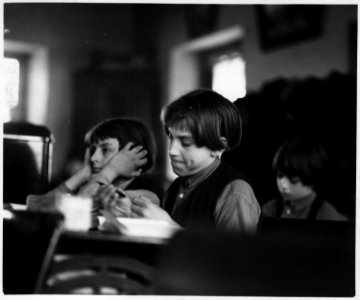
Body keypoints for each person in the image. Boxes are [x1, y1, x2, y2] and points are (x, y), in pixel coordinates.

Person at [131, 89, 261, 233]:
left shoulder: (234, 192)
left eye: (185, 142)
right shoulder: (176, 187)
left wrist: (168, 228)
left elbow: (234, 254)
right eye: (171, 137)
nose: (172, 151)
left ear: (218, 146)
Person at [27, 117, 163, 226]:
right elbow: (36, 207)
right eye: (93, 149)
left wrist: (112, 169)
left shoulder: (147, 194)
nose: (93, 158)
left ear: (134, 156)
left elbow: (79, 208)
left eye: (105, 150)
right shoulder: (95, 183)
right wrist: (82, 174)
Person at [261, 136, 349, 221]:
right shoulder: (268, 210)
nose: (283, 185)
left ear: (311, 177)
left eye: (293, 180)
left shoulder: (329, 216)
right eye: (280, 176)